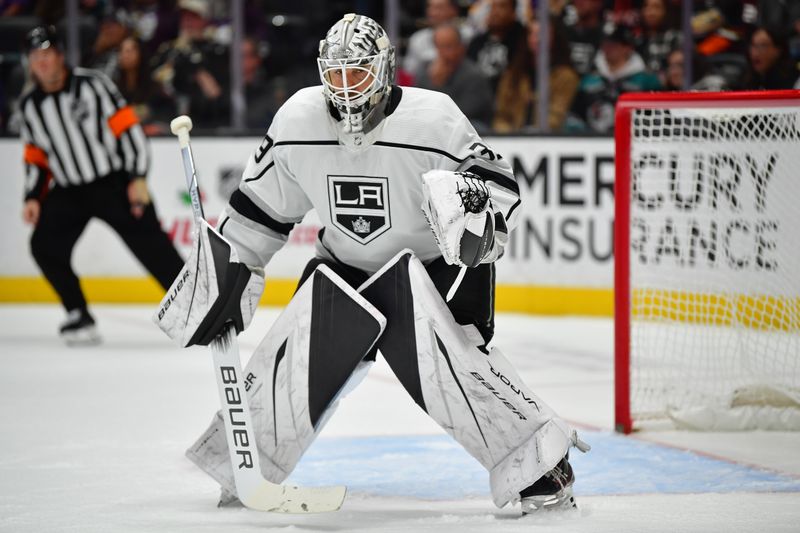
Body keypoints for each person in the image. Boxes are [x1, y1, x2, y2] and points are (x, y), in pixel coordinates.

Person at [156, 13, 588, 515]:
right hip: (344, 264)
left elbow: (499, 186)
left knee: (449, 362)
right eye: (334, 74)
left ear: (383, 70)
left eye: (357, 72)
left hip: (433, 269)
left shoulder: (435, 119)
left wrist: (470, 202)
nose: (344, 87)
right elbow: (259, 211)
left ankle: (537, 461)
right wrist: (229, 274)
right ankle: (244, 464)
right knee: (296, 352)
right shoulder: (298, 120)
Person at [18, 25, 184, 345]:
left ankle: (195, 310)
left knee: (154, 247)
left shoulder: (93, 85)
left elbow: (128, 130)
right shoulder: (30, 106)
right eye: (35, 57)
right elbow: (36, 158)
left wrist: (137, 177)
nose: (42, 62)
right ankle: (77, 313)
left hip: (113, 183)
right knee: (44, 246)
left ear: (60, 55)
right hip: (68, 190)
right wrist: (32, 196)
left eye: (47, 54)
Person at [493, 15, 579, 133]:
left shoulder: (566, 77)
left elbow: (557, 116)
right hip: (511, 140)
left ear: (555, 38)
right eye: (532, 34)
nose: (536, 39)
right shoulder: (513, 74)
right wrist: (508, 135)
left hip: (550, 140)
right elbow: (501, 115)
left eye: (542, 34)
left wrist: (532, 134)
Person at [571, 24, 661, 133]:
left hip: (634, 141)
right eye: (605, 44)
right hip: (593, 142)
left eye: (614, 44)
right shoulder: (589, 79)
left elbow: (659, 118)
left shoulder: (647, 80)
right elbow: (575, 115)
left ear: (628, 47)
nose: (607, 48)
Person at [415, 23, 493, 131]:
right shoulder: (427, 72)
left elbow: (460, 114)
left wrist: (438, 84)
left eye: (448, 46)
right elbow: (418, 104)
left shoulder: (474, 75)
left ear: (461, 47)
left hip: (470, 128)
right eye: (439, 47)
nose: (443, 53)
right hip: (435, 125)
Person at [402, 0, 473, 81]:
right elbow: (410, 73)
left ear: (454, 10)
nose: (432, 13)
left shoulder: (468, 36)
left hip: (462, 84)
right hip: (426, 87)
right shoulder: (417, 39)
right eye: (430, 7)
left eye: (439, 8)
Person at [744, 26, 799, 90]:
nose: (755, 53)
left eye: (763, 46)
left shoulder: (792, 80)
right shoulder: (748, 78)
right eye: (753, 45)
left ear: (778, 50)